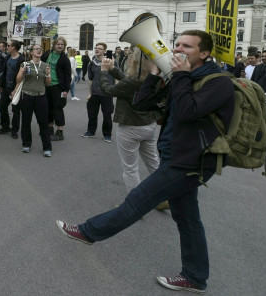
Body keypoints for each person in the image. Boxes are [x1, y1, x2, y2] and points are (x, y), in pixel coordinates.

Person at [57, 30, 235, 293]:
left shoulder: (217, 82)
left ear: (205, 53)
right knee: (188, 219)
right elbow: (142, 103)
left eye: (187, 46)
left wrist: (182, 75)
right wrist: (154, 75)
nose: (178, 50)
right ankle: (195, 277)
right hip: (175, 155)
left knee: (138, 200)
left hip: (192, 160)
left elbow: (188, 112)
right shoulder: (181, 77)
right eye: (177, 45)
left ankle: (88, 232)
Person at [98, 49, 161, 198]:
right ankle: (163, 196)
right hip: (149, 125)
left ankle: (136, 204)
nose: (129, 56)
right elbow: (126, 82)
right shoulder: (154, 77)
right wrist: (113, 69)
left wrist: (104, 72)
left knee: (130, 169)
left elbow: (107, 90)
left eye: (131, 54)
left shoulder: (133, 81)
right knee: (154, 163)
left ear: (136, 61)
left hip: (131, 126)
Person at [15, 44, 52, 156]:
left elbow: (48, 83)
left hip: (40, 96)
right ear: (31, 52)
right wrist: (22, 71)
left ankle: (47, 148)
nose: (39, 50)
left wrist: (47, 74)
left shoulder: (45, 65)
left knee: (43, 123)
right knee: (26, 121)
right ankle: (26, 144)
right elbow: (18, 80)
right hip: (27, 96)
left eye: (40, 49)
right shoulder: (25, 64)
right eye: (36, 49)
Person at [83, 42, 114, 142]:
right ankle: (91, 131)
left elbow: (117, 77)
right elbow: (90, 79)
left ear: (105, 51)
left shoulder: (111, 62)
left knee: (107, 115)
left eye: (100, 48)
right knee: (92, 114)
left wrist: (116, 90)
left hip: (107, 93)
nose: (97, 50)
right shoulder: (92, 63)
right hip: (95, 93)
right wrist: (90, 93)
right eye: (96, 48)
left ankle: (107, 134)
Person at [43, 36, 71, 141]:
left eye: (62, 44)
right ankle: (49, 129)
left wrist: (66, 90)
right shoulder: (47, 54)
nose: (60, 46)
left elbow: (68, 76)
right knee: (47, 108)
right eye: (58, 44)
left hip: (58, 87)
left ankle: (60, 132)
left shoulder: (64, 59)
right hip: (46, 85)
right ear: (54, 45)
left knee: (58, 108)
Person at [0, 40, 24, 139]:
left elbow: (22, 76)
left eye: (8, 45)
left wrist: (15, 89)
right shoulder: (8, 57)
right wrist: (1, 84)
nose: (7, 47)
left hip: (16, 88)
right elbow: (5, 72)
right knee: (2, 106)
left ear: (14, 48)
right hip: (6, 87)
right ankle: (5, 127)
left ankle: (14, 130)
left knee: (15, 110)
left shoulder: (22, 59)